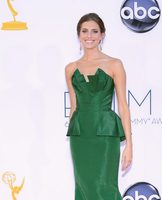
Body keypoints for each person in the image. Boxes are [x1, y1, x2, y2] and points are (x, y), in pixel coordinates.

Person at [65, 12, 132, 200]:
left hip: (105, 135)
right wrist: (73, 135)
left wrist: (129, 145)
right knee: (83, 187)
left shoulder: (114, 64)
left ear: (102, 34)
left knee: (105, 187)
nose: (89, 36)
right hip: (80, 138)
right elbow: (73, 107)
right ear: (78, 35)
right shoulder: (70, 68)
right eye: (84, 31)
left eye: (94, 31)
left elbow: (124, 108)